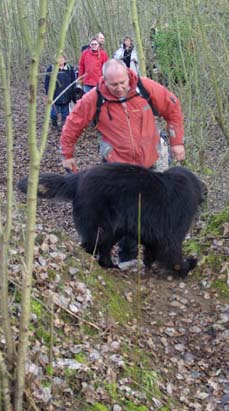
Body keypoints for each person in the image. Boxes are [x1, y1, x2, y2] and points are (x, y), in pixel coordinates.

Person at [59, 59, 186, 269]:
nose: (119, 88)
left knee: (155, 212)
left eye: (122, 83)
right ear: (104, 81)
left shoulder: (145, 88)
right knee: (125, 214)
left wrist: (177, 142)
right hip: (119, 170)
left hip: (151, 163)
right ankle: (128, 258)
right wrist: (67, 153)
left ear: (128, 76)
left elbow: (172, 107)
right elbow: (73, 123)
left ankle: (155, 255)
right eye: (113, 85)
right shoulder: (94, 99)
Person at [43, 53, 77, 128]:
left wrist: (72, 92)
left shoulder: (70, 69)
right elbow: (47, 82)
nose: (60, 60)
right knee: (54, 114)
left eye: (62, 58)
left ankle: (64, 126)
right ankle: (54, 124)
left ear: (65, 59)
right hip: (55, 95)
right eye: (58, 58)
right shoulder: (51, 69)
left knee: (65, 113)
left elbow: (73, 81)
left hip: (66, 95)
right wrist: (47, 93)